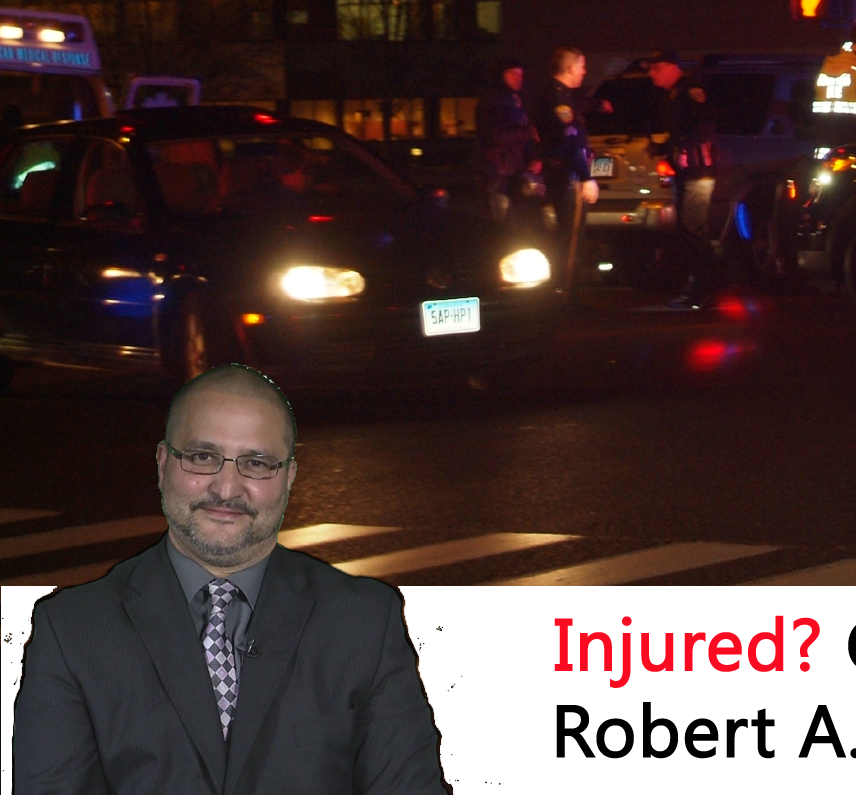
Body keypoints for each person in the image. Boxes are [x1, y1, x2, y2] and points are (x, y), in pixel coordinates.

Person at [12, 365, 448, 794]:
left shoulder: (365, 621)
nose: (226, 489)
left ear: (289, 478)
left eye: (256, 463)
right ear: (162, 464)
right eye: (203, 457)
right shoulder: (71, 630)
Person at [635, 51, 722, 308]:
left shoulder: (690, 91)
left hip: (698, 172)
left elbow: (704, 126)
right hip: (685, 173)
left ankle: (710, 286)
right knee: (686, 229)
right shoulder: (672, 95)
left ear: (672, 67)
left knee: (693, 227)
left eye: (656, 68)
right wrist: (664, 149)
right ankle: (701, 285)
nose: (651, 74)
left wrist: (685, 148)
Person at [533, 46, 601, 289]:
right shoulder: (559, 99)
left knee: (566, 236)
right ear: (571, 68)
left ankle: (562, 291)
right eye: (582, 66)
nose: (584, 72)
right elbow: (569, 142)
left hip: (562, 172)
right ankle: (565, 294)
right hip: (567, 175)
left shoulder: (560, 95)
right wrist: (586, 177)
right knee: (571, 239)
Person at [474, 58, 538, 223]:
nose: (518, 78)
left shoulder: (515, 101)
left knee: (511, 222)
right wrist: (528, 132)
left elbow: (520, 138)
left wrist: (531, 158)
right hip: (496, 172)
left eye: (521, 74)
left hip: (512, 171)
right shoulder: (492, 102)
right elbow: (495, 135)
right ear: (501, 75)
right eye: (513, 74)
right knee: (498, 222)